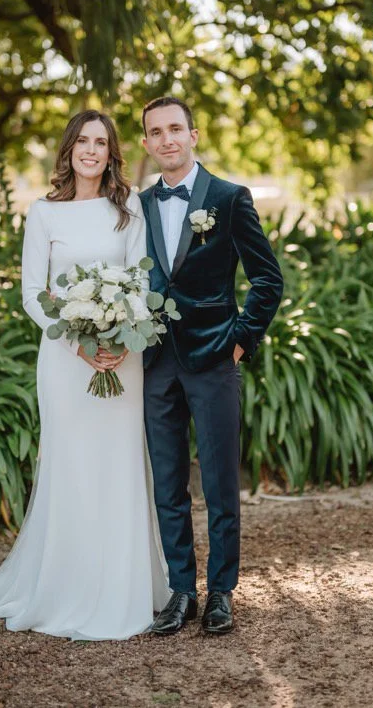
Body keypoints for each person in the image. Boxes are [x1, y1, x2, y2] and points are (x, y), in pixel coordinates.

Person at [0, 110, 170, 639]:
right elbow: (32, 294)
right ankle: (65, 588)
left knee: (120, 465)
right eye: (83, 141)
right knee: (72, 466)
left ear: (111, 153)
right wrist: (79, 343)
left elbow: (140, 281)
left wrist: (117, 338)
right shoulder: (44, 213)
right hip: (65, 361)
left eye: (101, 143)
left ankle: (125, 589)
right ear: (69, 149)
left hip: (122, 357)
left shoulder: (128, 207)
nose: (91, 150)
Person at [139, 96, 283, 635]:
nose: (167, 139)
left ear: (193, 135)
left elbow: (268, 279)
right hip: (156, 361)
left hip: (215, 357)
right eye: (157, 132)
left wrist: (240, 341)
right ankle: (182, 591)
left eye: (176, 129)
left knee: (221, 482)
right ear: (147, 143)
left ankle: (221, 591)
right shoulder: (139, 205)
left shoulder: (228, 197)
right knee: (168, 483)